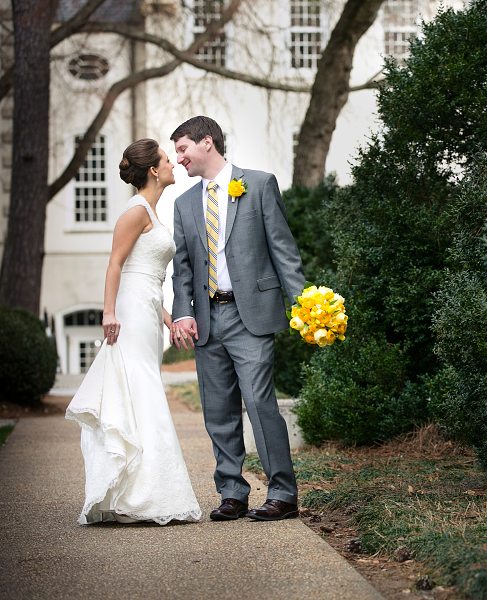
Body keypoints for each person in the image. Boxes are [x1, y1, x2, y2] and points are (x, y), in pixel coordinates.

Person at [169, 116, 305, 521]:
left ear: (206, 142)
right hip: (208, 320)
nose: (178, 160)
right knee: (218, 410)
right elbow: (183, 269)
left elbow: (283, 250)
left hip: (252, 318)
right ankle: (232, 492)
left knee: (260, 403)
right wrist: (182, 314)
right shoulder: (183, 204)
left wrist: (304, 306)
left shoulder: (259, 185)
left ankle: (282, 492)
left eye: (182, 149)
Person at [66, 139, 202, 525]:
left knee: (143, 388)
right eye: (167, 160)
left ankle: (139, 491)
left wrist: (169, 319)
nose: (174, 163)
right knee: (140, 388)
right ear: (154, 170)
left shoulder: (152, 212)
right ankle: (146, 494)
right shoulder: (135, 210)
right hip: (128, 312)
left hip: (146, 309)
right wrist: (108, 312)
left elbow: (147, 279)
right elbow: (116, 266)